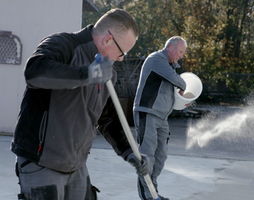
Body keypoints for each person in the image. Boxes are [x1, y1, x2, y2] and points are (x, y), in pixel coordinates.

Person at [11, 8, 150, 200]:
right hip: (41, 162)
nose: (121, 58)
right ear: (108, 40)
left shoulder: (107, 73)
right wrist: (87, 75)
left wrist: (129, 151)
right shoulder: (64, 45)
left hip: (76, 166)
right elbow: (35, 73)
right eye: (122, 51)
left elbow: (108, 117)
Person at [133, 36, 187, 200]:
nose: (181, 56)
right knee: (147, 157)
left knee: (160, 156)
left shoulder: (169, 66)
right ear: (170, 47)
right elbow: (178, 81)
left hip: (162, 117)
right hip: (147, 112)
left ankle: (153, 191)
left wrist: (185, 101)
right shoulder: (157, 59)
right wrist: (184, 86)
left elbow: (172, 92)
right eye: (180, 51)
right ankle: (149, 196)